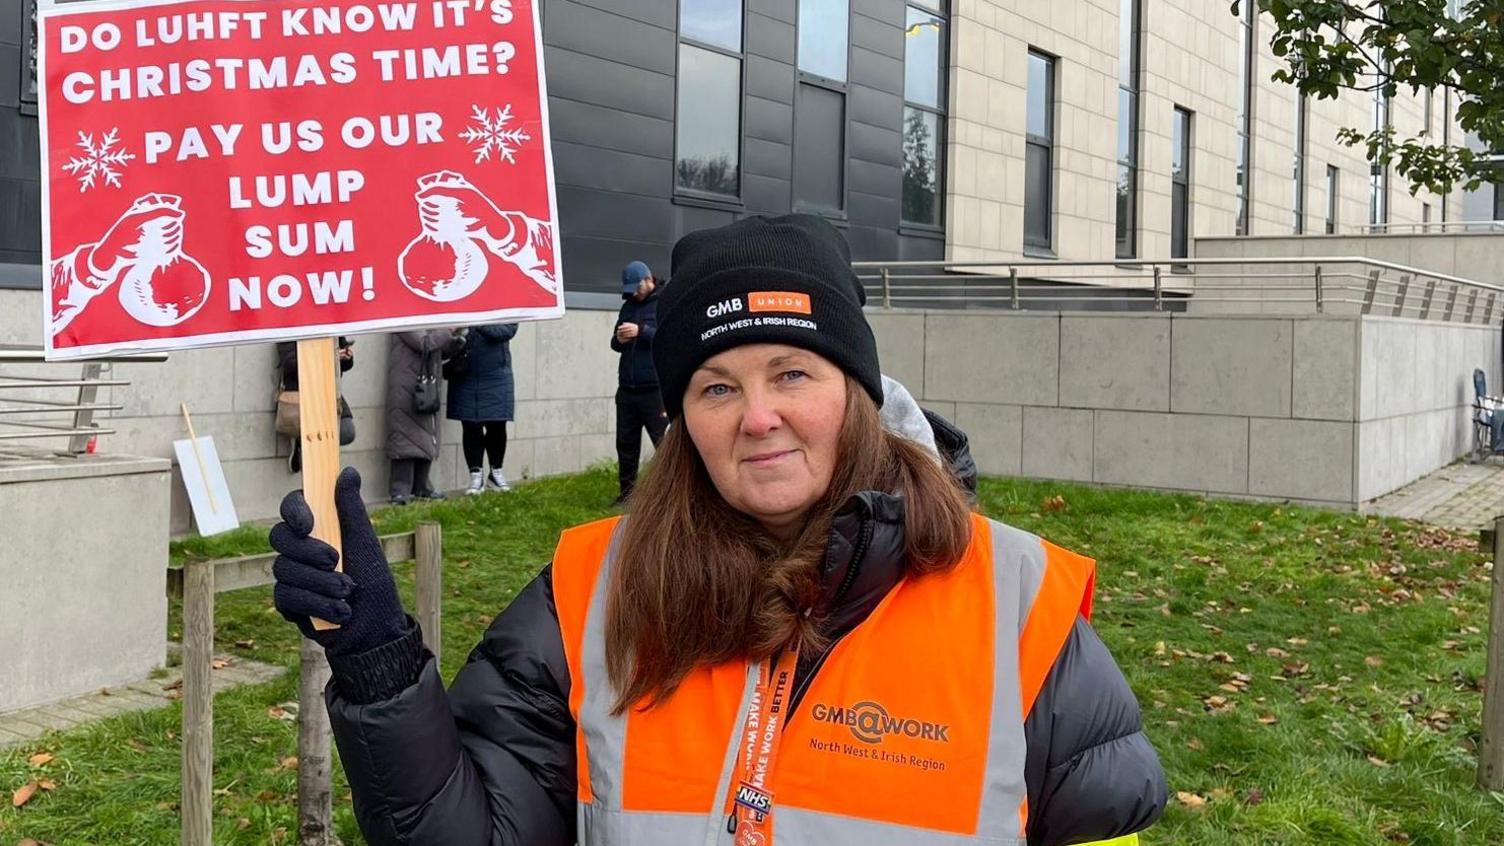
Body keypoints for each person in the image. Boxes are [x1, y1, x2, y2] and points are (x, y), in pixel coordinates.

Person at [269, 215, 1166, 846]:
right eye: (717, 387)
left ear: (856, 394)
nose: (758, 417)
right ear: (686, 417)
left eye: (792, 374)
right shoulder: (593, 591)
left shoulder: (1017, 605)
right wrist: (378, 664)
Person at [611, 260, 667, 504]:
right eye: (630, 290)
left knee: (663, 444)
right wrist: (620, 339)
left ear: (648, 280)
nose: (633, 293)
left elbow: (668, 338)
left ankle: (669, 495)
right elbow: (614, 344)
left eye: (636, 288)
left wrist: (641, 331)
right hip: (627, 388)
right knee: (625, 442)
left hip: (654, 389)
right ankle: (627, 494)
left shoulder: (665, 303)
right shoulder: (627, 307)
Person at [385, 329, 462, 504]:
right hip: (406, 386)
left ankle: (422, 486)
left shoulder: (429, 320)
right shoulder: (404, 317)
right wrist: (448, 331)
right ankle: (399, 491)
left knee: (427, 436)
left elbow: (437, 348)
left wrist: (457, 341)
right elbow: (424, 343)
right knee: (404, 437)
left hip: (425, 384)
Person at [447, 323, 520, 494]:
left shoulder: (505, 303)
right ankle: (475, 475)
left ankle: (496, 473)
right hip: (465, 372)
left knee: (497, 425)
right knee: (471, 426)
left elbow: (506, 330)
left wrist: (476, 322)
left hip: (496, 374)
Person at [276, 337, 355, 473]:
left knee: (346, 432)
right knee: (321, 433)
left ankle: (305, 442)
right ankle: (304, 443)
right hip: (301, 390)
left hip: (327, 389)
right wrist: (326, 358)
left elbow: (344, 364)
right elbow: (289, 364)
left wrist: (346, 357)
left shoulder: (330, 324)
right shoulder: (290, 325)